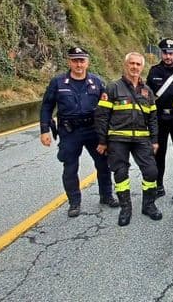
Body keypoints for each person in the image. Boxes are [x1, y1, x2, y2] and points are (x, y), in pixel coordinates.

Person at [40, 47, 118, 218]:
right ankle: (74, 202)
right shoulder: (58, 82)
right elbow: (46, 106)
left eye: (82, 60)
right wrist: (44, 130)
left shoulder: (97, 82)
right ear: (69, 62)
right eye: (75, 60)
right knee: (70, 167)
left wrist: (109, 132)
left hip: (93, 130)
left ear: (87, 62)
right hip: (69, 131)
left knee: (103, 164)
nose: (78, 64)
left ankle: (106, 195)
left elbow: (106, 109)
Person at [94, 52, 162, 226]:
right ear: (126, 65)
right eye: (131, 63)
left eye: (138, 64)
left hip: (141, 139)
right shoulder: (113, 88)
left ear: (142, 67)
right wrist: (102, 141)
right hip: (118, 139)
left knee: (151, 171)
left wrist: (154, 140)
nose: (135, 67)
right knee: (121, 173)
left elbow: (153, 118)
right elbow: (102, 116)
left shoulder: (147, 92)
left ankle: (148, 205)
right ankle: (126, 208)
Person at [146, 38, 173, 203]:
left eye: (171, 53)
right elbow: (148, 96)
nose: (168, 56)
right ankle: (158, 185)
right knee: (158, 153)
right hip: (159, 118)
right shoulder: (154, 71)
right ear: (161, 53)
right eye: (165, 52)